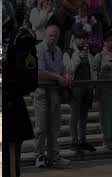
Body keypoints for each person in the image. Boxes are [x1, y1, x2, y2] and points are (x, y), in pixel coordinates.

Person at [33, 24, 72, 168]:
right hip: (42, 92)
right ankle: (39, 156)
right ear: (45, 36)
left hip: (55, 92)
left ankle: (54, 156)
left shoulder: (58, 50)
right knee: (41, 127)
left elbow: (62, 69)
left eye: (55, 36)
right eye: (50, 35)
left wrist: (66, 75)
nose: (53, 38)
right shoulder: (38, 49)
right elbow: (40, 72)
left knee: (54, 126)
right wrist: (57, 77)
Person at [4, 28, 38, 177]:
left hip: (12, 109)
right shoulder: (15, 52)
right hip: (10, 109)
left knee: (10, 159)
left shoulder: (20, 50)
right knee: (9, 160)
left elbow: (29, 82)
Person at [63, 31, 96, 152]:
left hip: (87, 88)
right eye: (79, 38)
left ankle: (83, 140)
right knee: (75, 116)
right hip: (75, 88)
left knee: (84, 116)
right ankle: (74, 141)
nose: (82, 41)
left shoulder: (90, 55)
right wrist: (78, 58)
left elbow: (93, 71)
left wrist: (93, 86)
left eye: (84, 38)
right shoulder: (69, 52)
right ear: (75, 39)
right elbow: (68, 70)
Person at [94, 30, 112, 150]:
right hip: (104, 91)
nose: (111, 43)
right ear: (104, 42)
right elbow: (95, 74)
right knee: (105, 116)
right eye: (109, 41)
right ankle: (107, 140)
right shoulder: (99, 56)